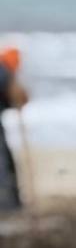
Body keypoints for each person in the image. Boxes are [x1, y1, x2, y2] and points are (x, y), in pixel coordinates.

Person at [0, 47, 26, 214]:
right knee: (3, 163)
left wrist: (14, 101)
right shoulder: (3, 72)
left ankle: (11, 203)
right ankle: (7, 204)